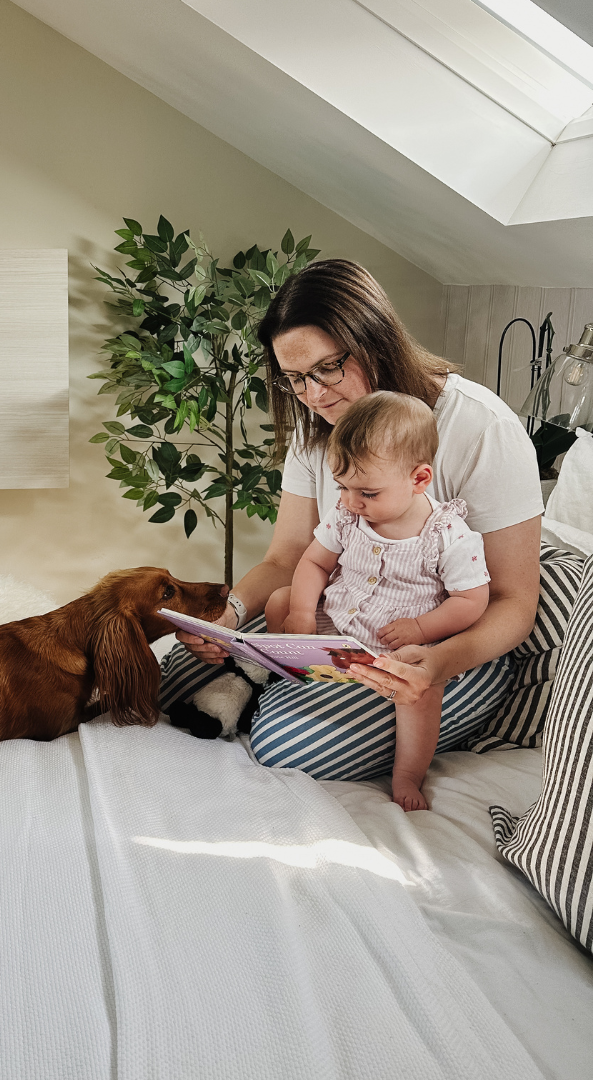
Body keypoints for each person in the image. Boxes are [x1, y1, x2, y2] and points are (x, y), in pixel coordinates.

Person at [160, 259, 542, 783]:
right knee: (167, 681)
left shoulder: (483, 427)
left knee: (284, 743)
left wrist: (435, 664)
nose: (315, 396)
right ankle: (263, 683)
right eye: (296, 379)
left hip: (446, 646)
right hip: (338, 623)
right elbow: (287, 556)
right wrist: (229, 615)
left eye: (327, 369)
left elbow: (513, 602)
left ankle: (270, 699)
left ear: (374, 339)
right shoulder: (319, 425)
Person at [265, 392, 489, 809]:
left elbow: (472, 601)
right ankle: (282, 675)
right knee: (279, 600)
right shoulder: (348, 513)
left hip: (394, 647)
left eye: (367, 492)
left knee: (423, 692)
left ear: (419, 479)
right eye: (343, 487)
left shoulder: (448, 535)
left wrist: (423, 629)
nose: (351, 501)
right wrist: (300, 612)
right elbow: (314, 562)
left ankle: (407, 773)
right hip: (338, 622)